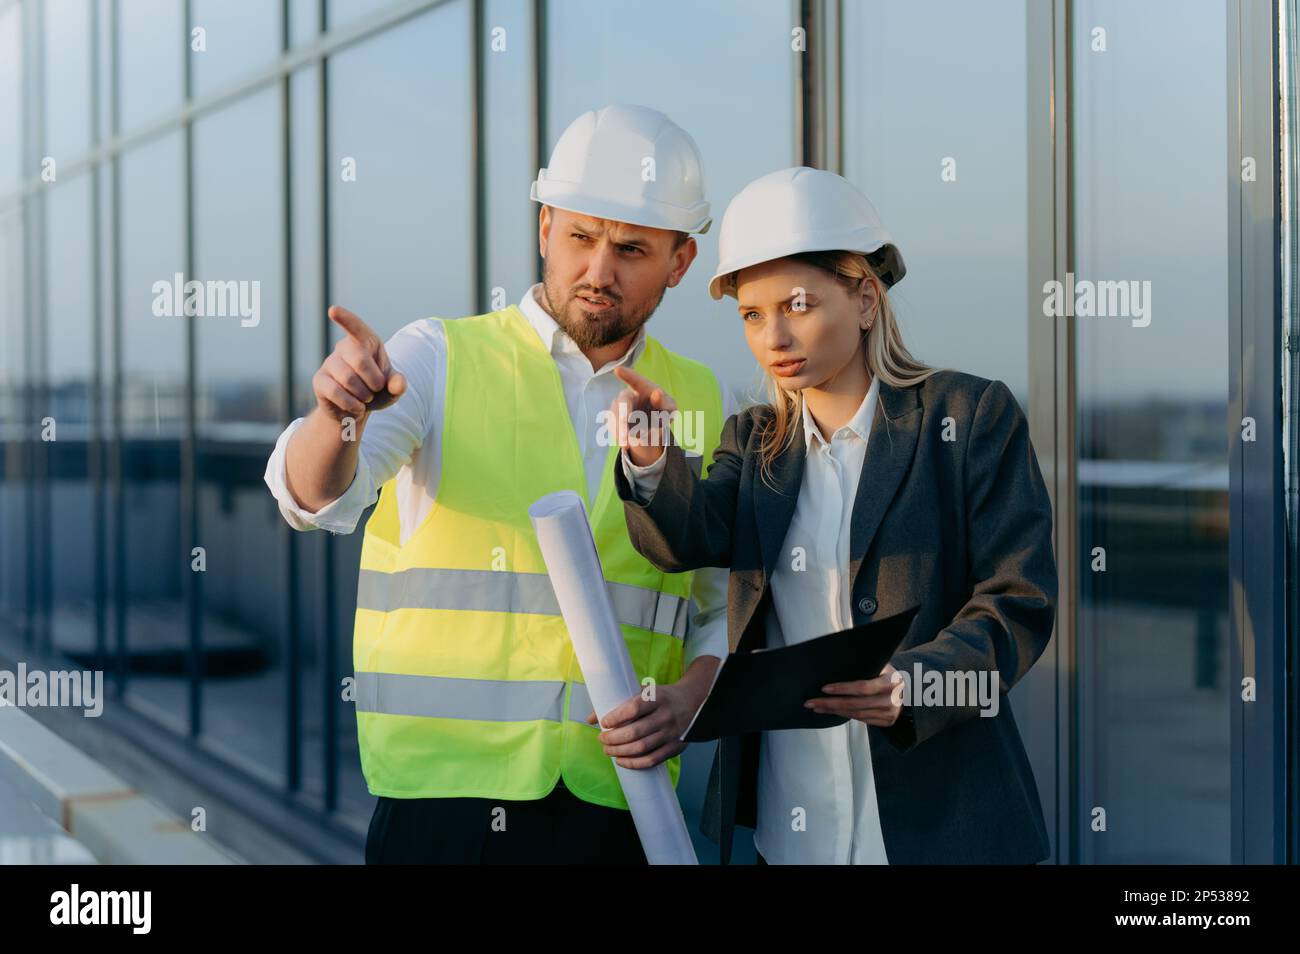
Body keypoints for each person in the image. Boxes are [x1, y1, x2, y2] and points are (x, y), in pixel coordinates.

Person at [263, 104, 738, 864]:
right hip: (442, 806)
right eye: (580, 236)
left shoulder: (706, 401)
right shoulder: (438, 358)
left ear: (680, 262)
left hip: (617, 804)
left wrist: (688, 701)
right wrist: (335, 416)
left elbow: (722, 604)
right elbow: (313, 501)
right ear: (545, 226)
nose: (598, 271)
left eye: (632, 249)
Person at [607, 166, 1057, 864]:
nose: (773, 337)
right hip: (793, 834)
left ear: (866, 299)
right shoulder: (753, 443)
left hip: (942, 830)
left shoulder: (968, 418)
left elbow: (1018, 601)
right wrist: (648, 458)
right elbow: (688, 536)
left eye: (798, 305)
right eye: (752, 315)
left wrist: (916, 681)